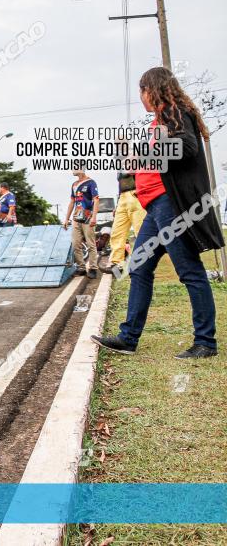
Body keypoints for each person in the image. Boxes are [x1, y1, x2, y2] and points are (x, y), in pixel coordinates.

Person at [92, 66, 224, 360]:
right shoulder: (162, 119)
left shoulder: (174, 112)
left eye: (142, 90)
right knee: (139, 268)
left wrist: (145, 155)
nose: (141, 97)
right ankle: (128, 338)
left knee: (189, 270)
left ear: (153, 89)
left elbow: (187, 148)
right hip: (154, 207)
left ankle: (206, 342)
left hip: (170, 206)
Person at [62, 167, 100, 278]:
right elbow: (72, 201)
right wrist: (66, 219)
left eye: (75, 167)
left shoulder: (91, 182)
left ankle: (93, 268)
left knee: (90, 243)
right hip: (76, 217)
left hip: (88, 216)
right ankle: (81, 267)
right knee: (75, 244)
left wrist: (94, 217)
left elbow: (96, 199)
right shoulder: (74, 184)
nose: (72, 169)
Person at [105, 172, 146, 271]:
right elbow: (121, 185)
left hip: (136, 194)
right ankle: (116, 263)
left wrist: (141, 190)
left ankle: (142, 263)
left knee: (140, 232)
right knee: (116, 232)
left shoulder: (137, 157)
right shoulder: (120, 164)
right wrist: (118, 203)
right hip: (123, 198)